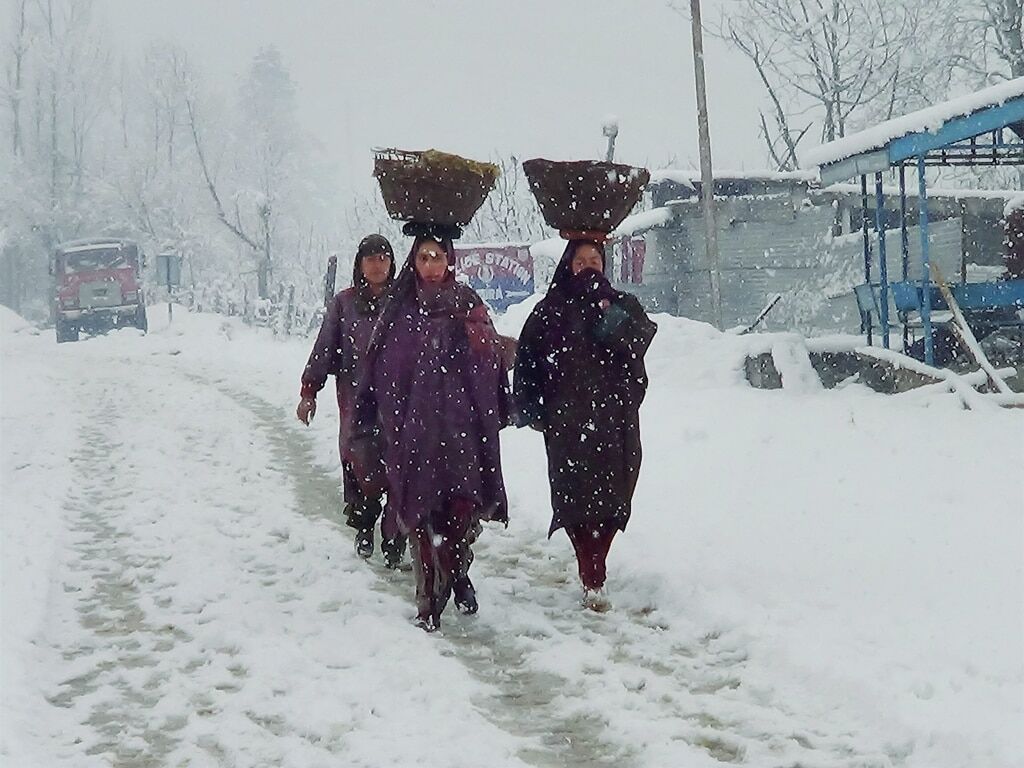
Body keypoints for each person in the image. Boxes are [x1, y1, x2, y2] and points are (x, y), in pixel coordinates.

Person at [352, 225, 513, 632]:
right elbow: (384, 367)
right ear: (414, 261)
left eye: (437, 257)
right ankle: (428, 600)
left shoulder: (466, 302)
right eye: (423, 257)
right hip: (416, 433)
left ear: (449, 260)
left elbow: (489, 358)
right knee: (422, 516)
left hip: (461, 430)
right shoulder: (401, 307)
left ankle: (456, 573)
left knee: (459, 512)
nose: (430, 265)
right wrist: (388, 413)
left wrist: (477, 342)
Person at [513, 234, 657, 612]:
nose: (589, 266)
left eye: (596, 259)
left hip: (614, 420)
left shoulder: (621, 304)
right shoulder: (550, 310)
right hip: (568, 423)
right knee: (575, 500)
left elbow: (637, 343)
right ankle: (591, 571)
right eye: (581, 261)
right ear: (567, 265)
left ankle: (598, 560)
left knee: (615, 496)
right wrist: (532, 408)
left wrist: (606, 312)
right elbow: (527, 361)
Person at [297, 234, 406, 568]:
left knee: (400, 469)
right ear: (360, 264)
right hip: (356, 401)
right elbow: (324, 348)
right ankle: (364, 525)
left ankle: (394, 539)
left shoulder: (404, 301)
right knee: (361, 467)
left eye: (384, 258)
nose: (378, 265)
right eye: (371, 258)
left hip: (398, 402)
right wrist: (308, 391)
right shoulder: (344, 304)